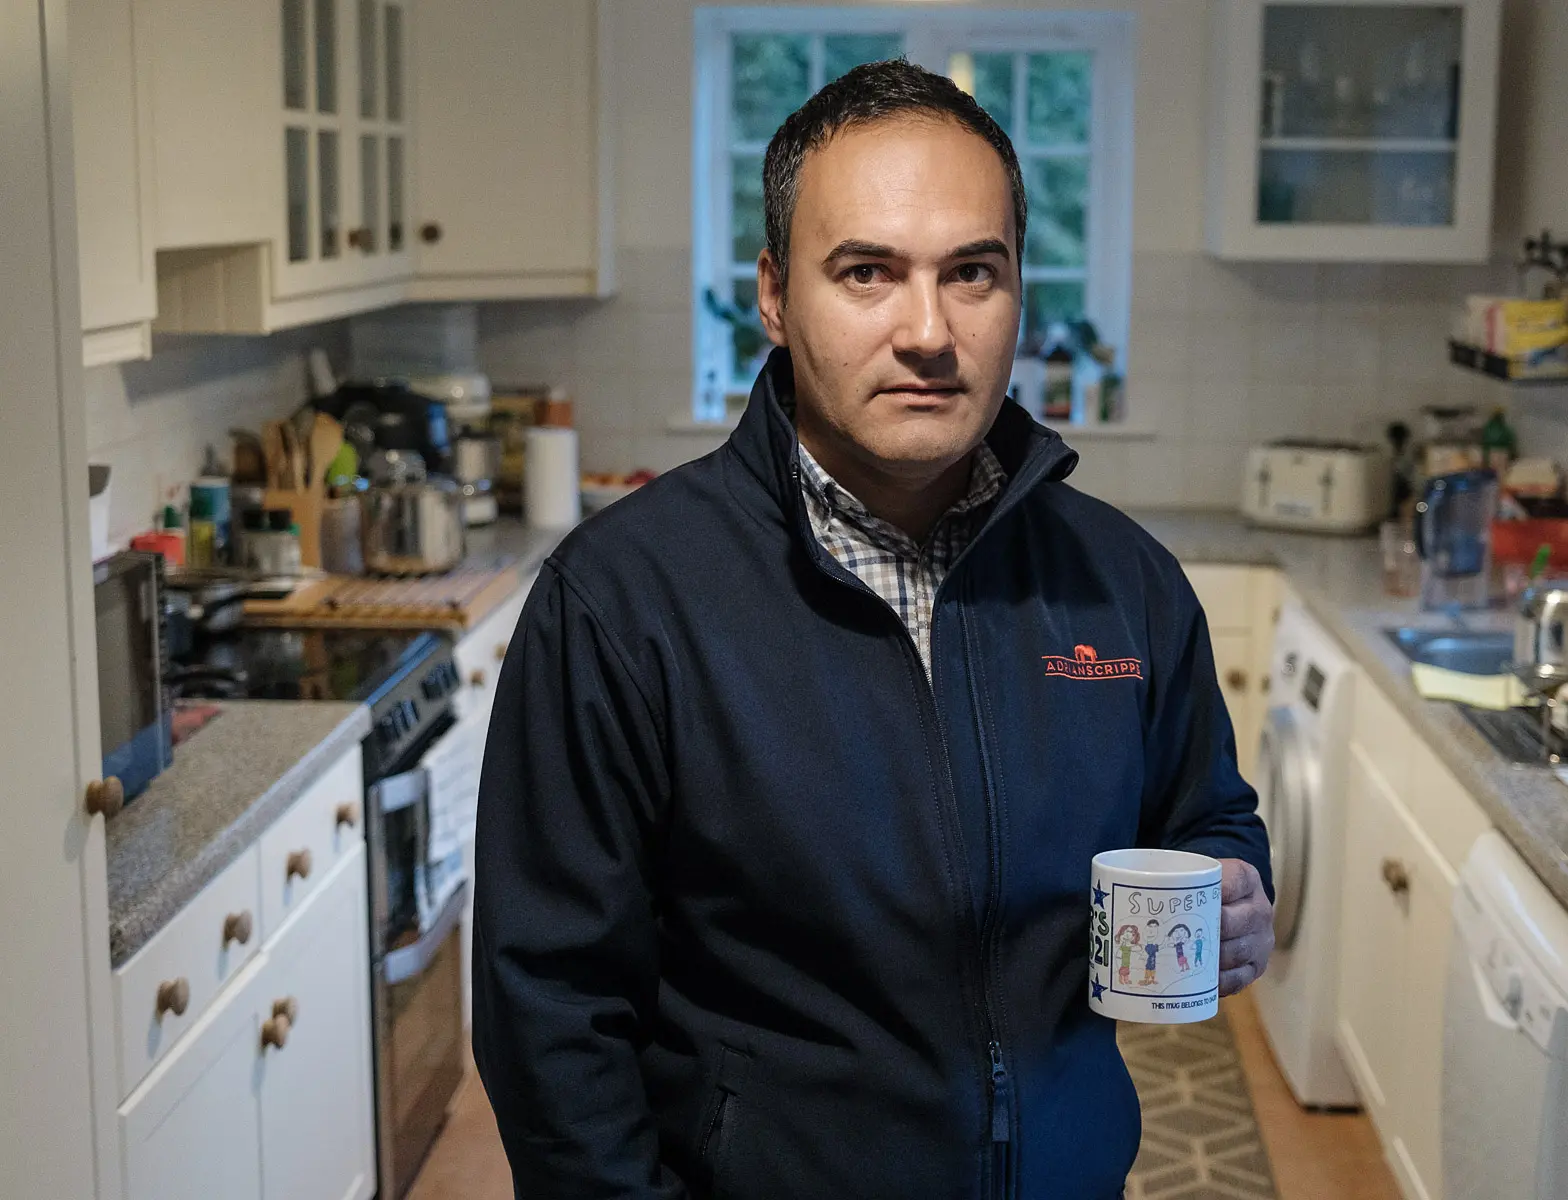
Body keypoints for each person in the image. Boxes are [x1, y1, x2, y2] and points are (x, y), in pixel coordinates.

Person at [473, 59, 1274, 1200]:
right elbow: (548, 1006)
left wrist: (1234, 881)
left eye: (974, 273)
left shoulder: (1122, 583)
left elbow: (1208, 814)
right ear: (773, 295)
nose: (929, 330)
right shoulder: (624, 600)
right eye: (866, 273)